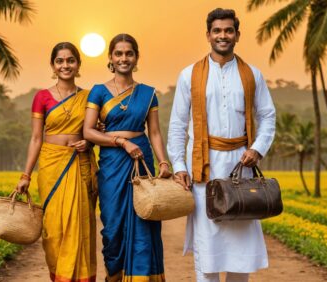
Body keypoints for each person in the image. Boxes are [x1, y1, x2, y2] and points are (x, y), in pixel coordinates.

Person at [167, 8, 276, 282]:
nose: (223, 35)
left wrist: (258, 148)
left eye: (228, 30)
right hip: (204, 169)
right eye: (217, 31)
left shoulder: (253, 74)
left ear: (237, 35)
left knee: (240, 251)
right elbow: (178, 125)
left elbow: (267, 116)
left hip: (242, 166)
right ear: (208, 35)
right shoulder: (188, 75)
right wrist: (179, 166)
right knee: (208, 249)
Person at [83, 33, 171, 282]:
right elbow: (88, 131)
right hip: (112, 163)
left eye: (128, 53)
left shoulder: (147, 93)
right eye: (118, 53)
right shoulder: (98, 92)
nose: (124, 58)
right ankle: (113, 276)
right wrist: (121, 142)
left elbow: (153, 132)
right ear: (110, 57)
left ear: (136, 57)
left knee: (145, 219)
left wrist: (163, 162)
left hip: (140, 160)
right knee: (112, 227)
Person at [15, 42, 98, 281]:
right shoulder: (42, 97)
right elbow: (35, 138)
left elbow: (94, 131)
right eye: (60, 61)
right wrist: (25, 175)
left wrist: (89, 143)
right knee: (53, 231)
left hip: (80, 164)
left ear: (78, 64)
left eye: (70, 60)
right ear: (53, 65)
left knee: (81, 227)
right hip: (52, 167)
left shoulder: (89, 97)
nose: (65, 65)